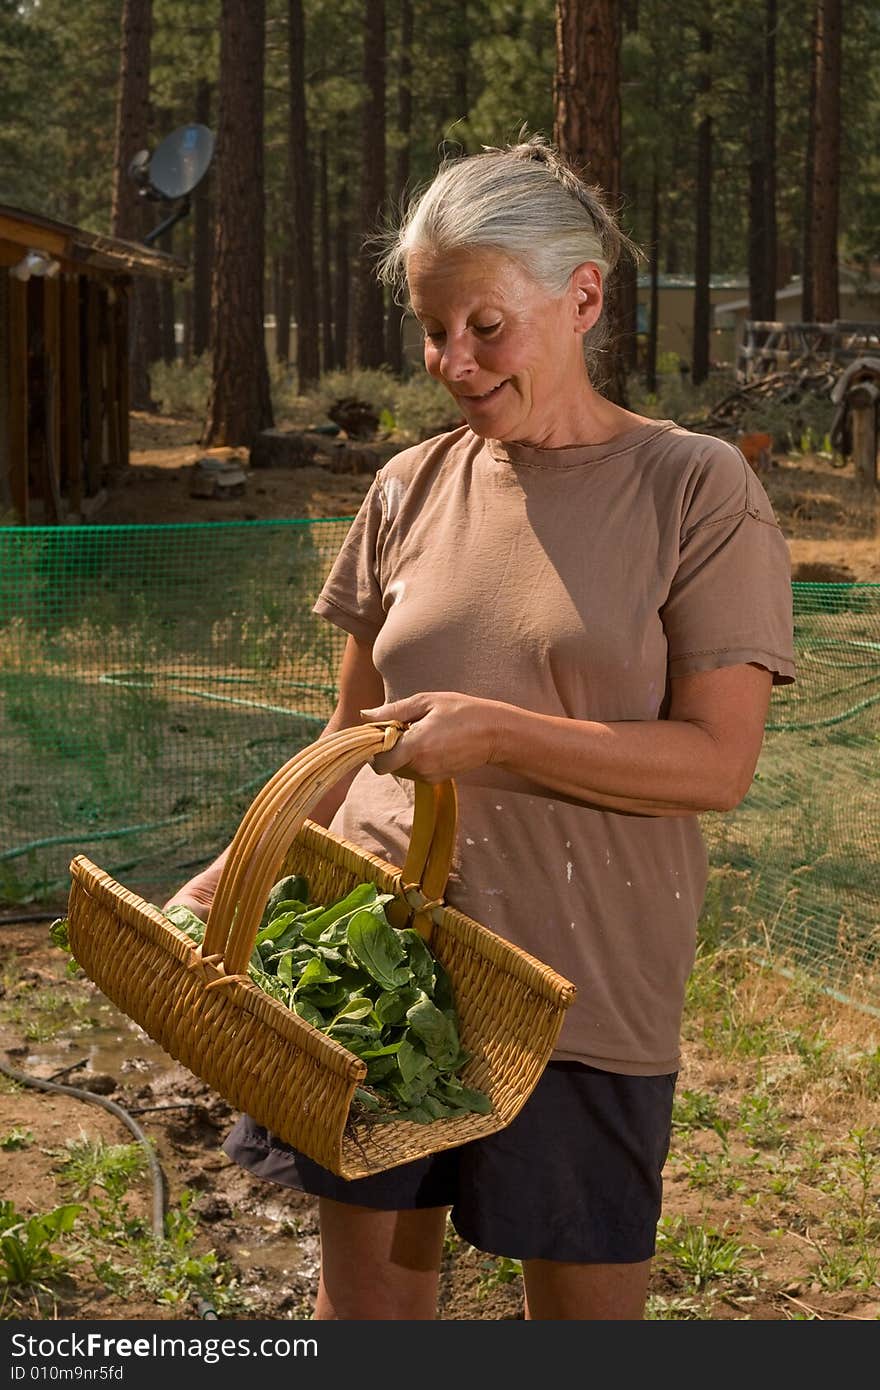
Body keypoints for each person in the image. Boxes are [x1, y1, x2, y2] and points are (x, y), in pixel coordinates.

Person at [165, 133, 795, 1320]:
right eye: (430, 328)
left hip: (575, 989)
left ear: (583, 298)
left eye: (484, 327)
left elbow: (717, 764)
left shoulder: (694, 490)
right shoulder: (407, 486)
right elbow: (348, 729)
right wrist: (225, 875)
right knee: (372, 1311)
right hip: (375, 970)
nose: (450, 360)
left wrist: (496, 734)